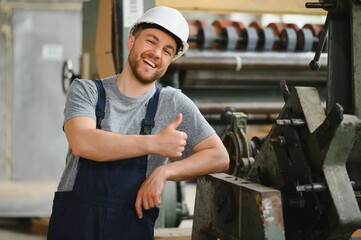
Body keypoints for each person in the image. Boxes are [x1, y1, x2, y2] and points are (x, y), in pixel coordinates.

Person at [47, 6, 229, 240]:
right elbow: (84, 143)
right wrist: (155, 143)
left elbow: (219, 156)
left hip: (130, 227)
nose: (156, 53)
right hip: (76, 225)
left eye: (167, 51)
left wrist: (165, 172)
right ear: (131, 41)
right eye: (151, 41)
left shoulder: (172, 102)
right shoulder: (86, 91)